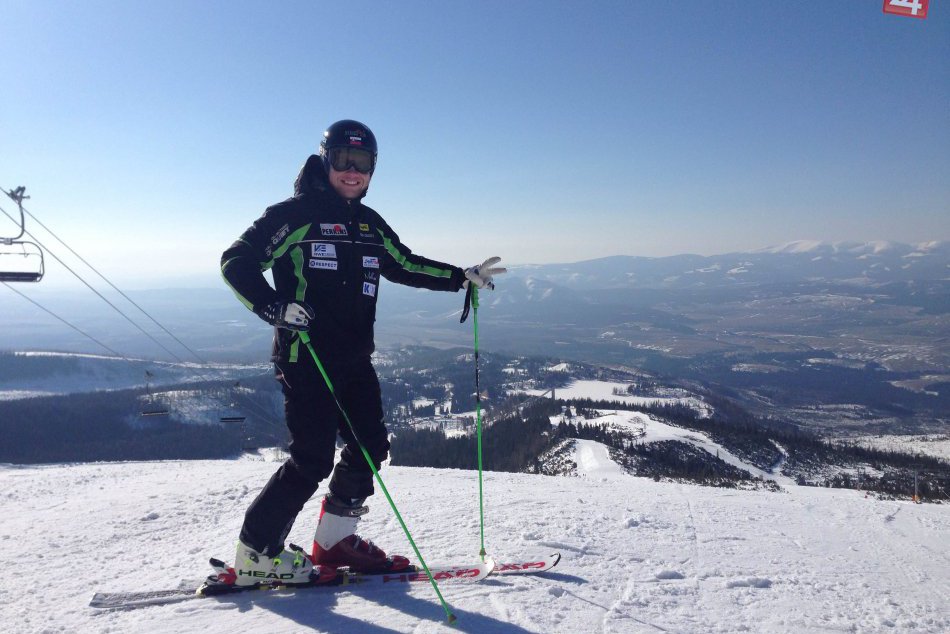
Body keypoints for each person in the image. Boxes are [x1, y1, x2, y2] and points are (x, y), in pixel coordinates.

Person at [220, 120, 505, 586]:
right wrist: (273, 306)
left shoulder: (369, 225)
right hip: (305, 358)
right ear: (325, 160)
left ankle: (333, 541)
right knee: (311, 459)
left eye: (364, 163)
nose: (353, 172)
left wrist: (461, 276)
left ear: (373, 170)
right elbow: (237, 261)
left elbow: (404, 262)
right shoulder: (295, 215)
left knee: (370, 446)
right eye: (344, 161)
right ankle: (255, 552)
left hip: (354, 358)